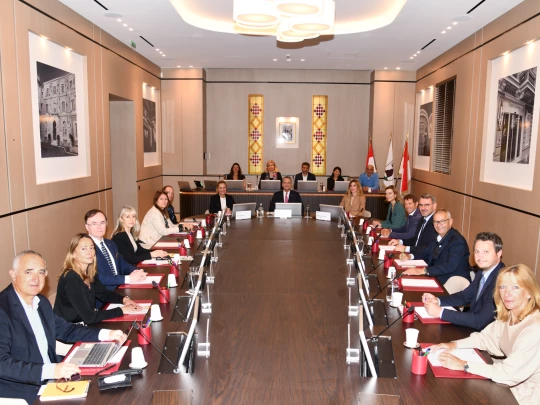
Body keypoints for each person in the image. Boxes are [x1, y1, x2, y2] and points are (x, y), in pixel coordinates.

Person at [0, 251, 126, 404]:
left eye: (41, 272)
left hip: (54, 380)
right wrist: (51, 370)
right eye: (28, 272)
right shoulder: (3, 309)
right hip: (24, 391)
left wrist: (106, 334)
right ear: (13, 274)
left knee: (111, 389)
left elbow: (66, 330)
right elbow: (2, 364)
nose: (36, 278)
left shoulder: (41, 303)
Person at [431, 264, 540, 405]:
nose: (507, 293)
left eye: (515, 287)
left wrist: (464, 365)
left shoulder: (534, 328)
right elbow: (484, 338)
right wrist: (453, 344)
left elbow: (508, 374)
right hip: (509, 384)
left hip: (529, 394)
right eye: (502, 286)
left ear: (529, 292)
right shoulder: (509, 315)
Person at [422, 232, 505, 330]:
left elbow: (480, 321)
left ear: (499, 253)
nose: (480, 256)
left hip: (486, 338)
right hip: (472, 328)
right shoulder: (483, 271)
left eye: (486, 252)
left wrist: (441, 312)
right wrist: (438, 300)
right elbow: (465, 296)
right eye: (477, 251)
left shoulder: (502, 281)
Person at [54, 233, 142, 324]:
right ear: (73, 253)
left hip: (83, 322)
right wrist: (122, 310)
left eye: (92, 248)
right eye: (84, 249)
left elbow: (103, 293)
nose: (89, 252)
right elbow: (89, 317)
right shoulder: (72, 279)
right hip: (69, 329)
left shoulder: (89, 272)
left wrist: (124, 299)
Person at [402, 209, 471, 286]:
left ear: (450, 221)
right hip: (436, 278)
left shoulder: (457, 242)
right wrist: (410, 256)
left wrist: (423, 271)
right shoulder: (438, 236)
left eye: (442, 221)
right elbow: (426, 251)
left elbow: (449, 266)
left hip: (452, 284)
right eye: (435, 222)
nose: (438, 225)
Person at [85, 209, 147, 290]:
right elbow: (99, 278)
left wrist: (137, 271)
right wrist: (128, 278)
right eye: (94, 223)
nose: (99, 227)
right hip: (102, 297)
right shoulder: (86, 249)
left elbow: (122, 265)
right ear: (87, 227)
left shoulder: (110, 244)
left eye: (102, 222)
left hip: (120, 289)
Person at [389, 193, 438, 257]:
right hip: (415, 254)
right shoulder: (422, 219)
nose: (423, 208)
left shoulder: (436, 223)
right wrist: (400, 242)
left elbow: (427, 248)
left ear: (434, 206)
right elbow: (415, 239)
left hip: (424, 260)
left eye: (427, 205)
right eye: (421, 205)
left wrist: (407, 249)